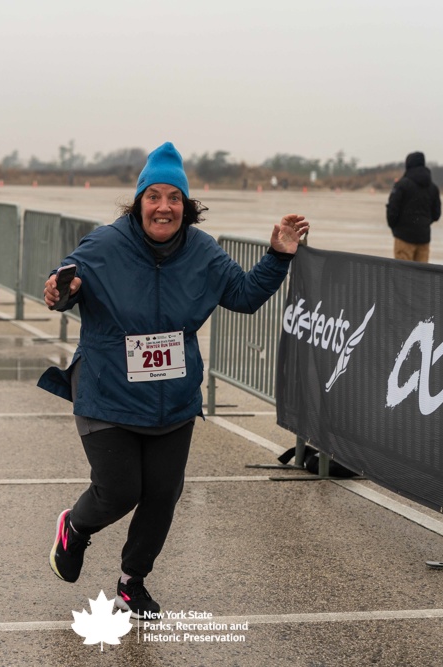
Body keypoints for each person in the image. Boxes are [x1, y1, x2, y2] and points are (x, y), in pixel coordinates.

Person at [38, 142, 309, 618]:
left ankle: (132, 582)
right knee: (119, 492)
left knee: (162, 496)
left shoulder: (202, 251)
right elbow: (65, 285)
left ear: (186, 206)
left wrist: (278, 256)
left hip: (173, 400)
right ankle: (74, 529)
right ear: (138, 202)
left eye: (174, 198)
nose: (164, 207)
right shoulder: (105, 245)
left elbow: (244, 295)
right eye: (154, 196)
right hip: (108, 392)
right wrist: (61, 291)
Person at [386, 151, 441, 263]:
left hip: (403, 237)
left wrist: (395, 228)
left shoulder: (402, 185)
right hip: (424, 238)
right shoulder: (433, 188)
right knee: (421, 272)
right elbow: (436, 214)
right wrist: (424, 222)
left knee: (403, 271)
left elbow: (392, 210)